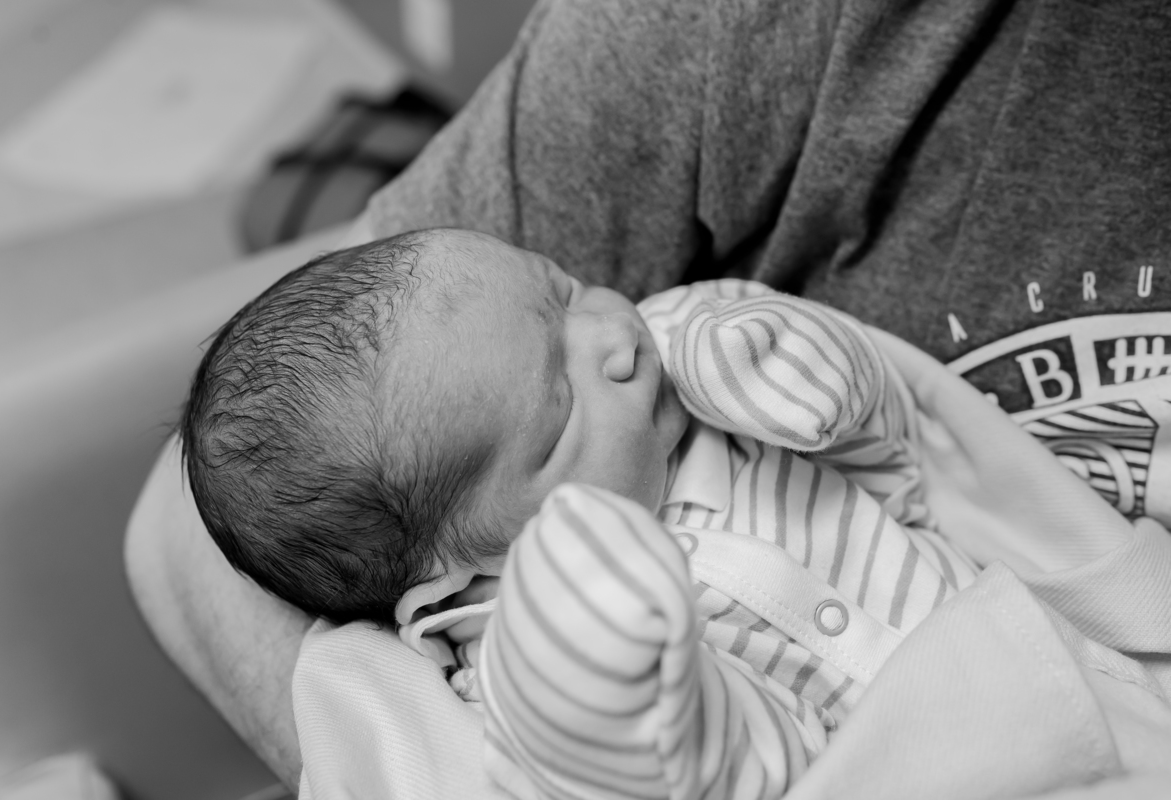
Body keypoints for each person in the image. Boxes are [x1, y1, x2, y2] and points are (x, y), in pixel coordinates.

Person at [125, 0, 1171, 796]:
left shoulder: (680, 384)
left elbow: (901, 441)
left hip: (1073, 680)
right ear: (462, 578)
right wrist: (577, 656)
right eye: (556, 416)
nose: (618, 333)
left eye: (565, 287)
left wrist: (782, 362)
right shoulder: (501, 642)